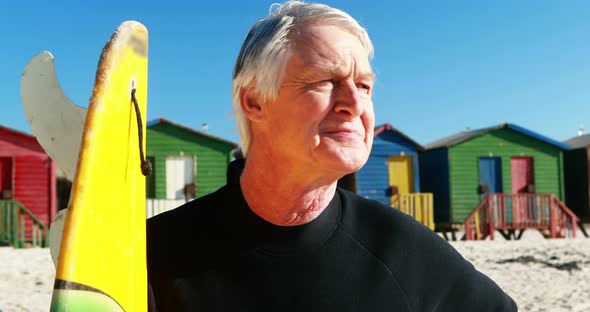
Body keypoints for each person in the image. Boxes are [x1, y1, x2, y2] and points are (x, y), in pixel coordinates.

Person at [146, 1, 518, 311]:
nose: (355, 104)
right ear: (254, 100)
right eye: (325, 80)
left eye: (364, 85)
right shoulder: (155, 254)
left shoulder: (402, 249)